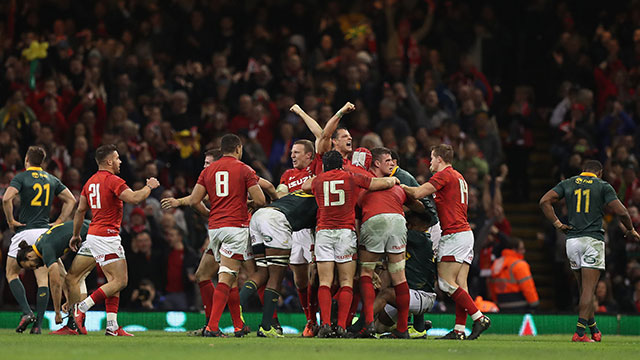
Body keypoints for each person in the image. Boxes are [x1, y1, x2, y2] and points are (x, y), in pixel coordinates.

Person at [165, 134, 265, 337]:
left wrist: (211, 214)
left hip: (215, 230)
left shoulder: (208, 171)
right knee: (229, 277)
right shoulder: (244, 169)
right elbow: (261, 199)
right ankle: (212, 326)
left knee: (231, 277)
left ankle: (238, 325)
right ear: (238, 148)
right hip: (236, 228)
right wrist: (250, 205)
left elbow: (194, 200)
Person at [540, 159, 640, 342]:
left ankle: (593, 329)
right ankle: (579, 333)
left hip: (571, 242)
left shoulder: (569, 182)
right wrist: (631, 229)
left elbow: (544, 201)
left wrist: (558, 224)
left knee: (583, 288)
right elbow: (623, 212)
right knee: (589, 289)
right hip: (592, 240)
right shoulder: (602, 186)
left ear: (583, 170)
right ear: (599, 173)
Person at [302, 150, 398, 338]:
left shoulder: (318, 180)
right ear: (341, 164)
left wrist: (320, 175)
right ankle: (341, 326)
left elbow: (306, 186)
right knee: (346, 281)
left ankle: (326, 325)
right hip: (345, 232)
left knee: (325, 281)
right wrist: (393, 181)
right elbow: (376, 183)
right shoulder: (351, 177)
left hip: (323, 232)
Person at [69, 144, 160, 336]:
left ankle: (111, 326)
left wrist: (76, 235)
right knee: (120, 281)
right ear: (109, 161)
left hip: (94, 234)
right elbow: (135, 198)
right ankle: (81, 308)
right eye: (117, 158)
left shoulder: (90, 182)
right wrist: (149, 187)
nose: (120, 162)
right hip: (106, 236)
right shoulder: (113, 180)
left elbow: (80, 211)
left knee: (113, 281)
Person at [402, 144, 491, 340]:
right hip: (465, 234)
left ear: (440, 159)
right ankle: (459, 330)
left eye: (431, 158)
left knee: (445, 283)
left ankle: (479, 317)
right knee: (460, 284)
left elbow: (416, 194)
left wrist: (395, 184)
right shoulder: (459, 177)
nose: (430, 162)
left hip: (454, 235)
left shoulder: (444, 175)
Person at [2, 145, 76, 333]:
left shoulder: (21, 177)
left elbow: (6, 198)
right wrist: (60, 221)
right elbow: (71, 200)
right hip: (45, 235)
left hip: (25, 231)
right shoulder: (51, 179)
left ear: (27, 159)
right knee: (43, 281)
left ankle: (27, 312)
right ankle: (38, 326)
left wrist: (11, 220)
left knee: (12, 273)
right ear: (41, 162)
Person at [355, 147, 425, 339]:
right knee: (399, 277)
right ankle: (402, 328)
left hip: (374, 221)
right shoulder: (397, 186)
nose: (393, 163)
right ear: (376, 163)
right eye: (388, 161)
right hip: (398, 222)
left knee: (366, 273)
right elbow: (419, 207)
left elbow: (356, 213)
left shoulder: (363, 184)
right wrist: (403, 204)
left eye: (393, 161)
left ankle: (367, 325)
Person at [249, 189, 318, 337]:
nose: (295, 163)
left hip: (293, 221)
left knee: (263, 273)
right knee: (283, 278)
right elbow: (271, 187)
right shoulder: (289, 175)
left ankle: (314, 322)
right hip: (285, 222)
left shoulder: (314, 170)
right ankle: (268, 325)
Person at [16, 220, 92, 334]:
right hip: (92, 230)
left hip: (94, 236)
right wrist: (68, 299)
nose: (35, 268)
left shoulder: (46, 249)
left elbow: (55, 284)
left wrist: (57, 312)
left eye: (31, 266)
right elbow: (62, 274)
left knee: (74, 279)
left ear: (29, 255)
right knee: (77, 279)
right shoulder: (42, 244)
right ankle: (77, 323)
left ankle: (74, 325)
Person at [371, 211, 438, 338]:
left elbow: (392, 233)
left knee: (385, 294)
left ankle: (362, 325)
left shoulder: (421, 239)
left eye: (411, 225)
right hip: (410, 296)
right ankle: (410, 326)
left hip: (422, 296)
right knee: (379, 327)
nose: (408, 227)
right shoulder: (417, 241)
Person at [489, 238, 539, 312]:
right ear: (513, 249)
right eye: (521, 249)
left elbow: (491, 286)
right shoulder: (520, 265)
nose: (524, 251)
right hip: (520, 305)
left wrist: (495, 302)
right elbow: (528, 287)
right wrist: (534, 304)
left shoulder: (497, 263)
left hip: (501, 305)